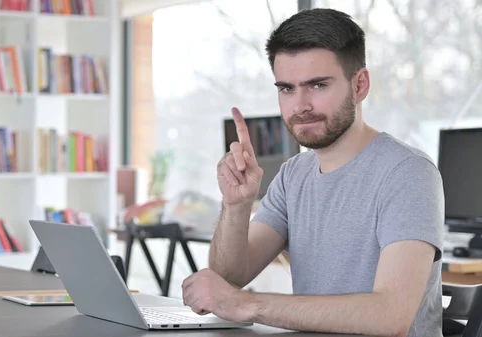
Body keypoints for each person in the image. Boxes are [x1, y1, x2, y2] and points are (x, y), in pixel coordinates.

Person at [181, 7, 444, 337]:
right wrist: (236, 206)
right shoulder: (294, 175)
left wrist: (248, 304)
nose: (299, 105)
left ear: (360, 84)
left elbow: (390, 316)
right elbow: (229, 278)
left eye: (317, 85)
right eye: (287, 88)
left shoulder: (408, 173)